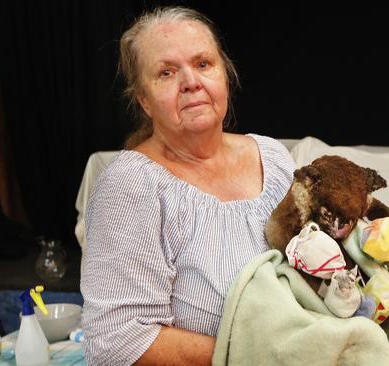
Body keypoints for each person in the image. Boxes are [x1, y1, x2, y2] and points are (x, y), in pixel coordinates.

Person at [80, 6, 295, 366]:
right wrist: (261, 353)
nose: (191, 82)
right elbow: (116, 341)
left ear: (225, 75)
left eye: (203, 64)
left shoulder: (273, 157)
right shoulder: (130, 188)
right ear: (143, 101)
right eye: (166, 72)